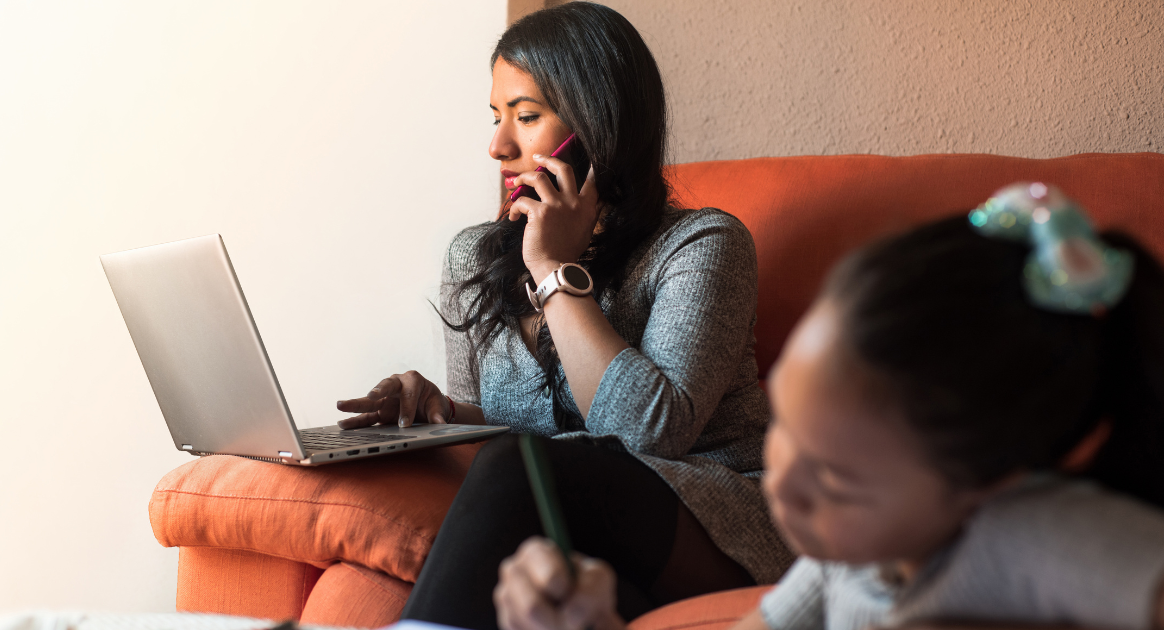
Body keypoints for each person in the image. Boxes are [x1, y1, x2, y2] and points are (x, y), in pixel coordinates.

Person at [494, 183, 1164, 630]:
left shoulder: (1024, 536)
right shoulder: (850, 557)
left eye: (839, 477)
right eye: (788, 427)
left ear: (995, 481)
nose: (783, 482)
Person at [334, 3, 794, 628]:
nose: (497, 146)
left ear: (594, 126)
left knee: (526, 463)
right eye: (496, 117)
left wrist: (554, 273)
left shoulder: (704, 245)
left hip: (711, 533)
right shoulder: (475, 254)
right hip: (578, 552)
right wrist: (436, 410)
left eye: (525, 117)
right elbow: (489, 432)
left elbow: (648, 434)